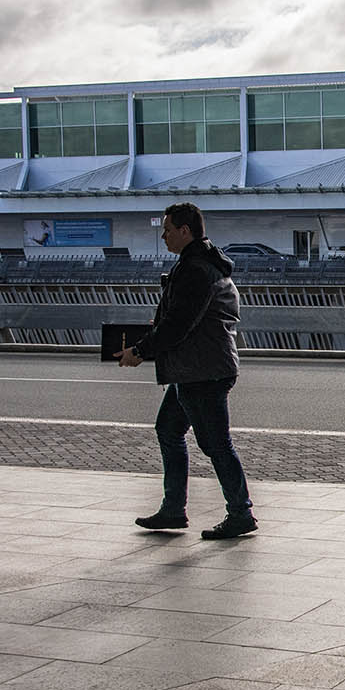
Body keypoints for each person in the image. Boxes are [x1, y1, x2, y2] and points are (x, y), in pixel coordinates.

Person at [114, 202, 257, 540]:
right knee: (168, 429)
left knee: (216, 443)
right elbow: (181, 318)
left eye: (166, 229)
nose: (162, 236)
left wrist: (140, 350)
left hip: (202, 370)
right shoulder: (200, 263)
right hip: (193, 368)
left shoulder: (196, 269)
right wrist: (153, 334)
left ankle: (241, 513)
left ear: (185, 230)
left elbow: (179, 325)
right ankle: (174, 508)